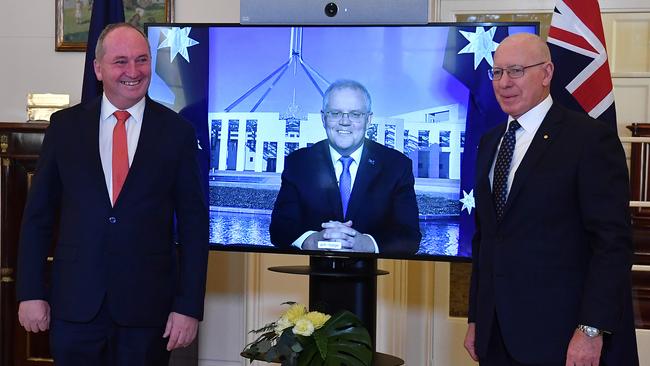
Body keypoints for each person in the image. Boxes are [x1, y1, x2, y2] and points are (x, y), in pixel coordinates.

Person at [16, 23, 209, 365]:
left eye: (142, 60)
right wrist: (30, 292)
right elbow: (38, 218)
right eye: (121, 61)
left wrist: (188, 307)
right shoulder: (65, 127)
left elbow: (195, 227)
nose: (133, 72)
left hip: (148, 313)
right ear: (98, 68)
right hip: (75, 307)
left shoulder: (177, 132)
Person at [463, 33, 638, 365]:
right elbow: (486, 239)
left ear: (546, 73)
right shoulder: (489, 142)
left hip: (564, 337)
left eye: (515, 71)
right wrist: (476, 319)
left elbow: (611, 244)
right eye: (497, 72)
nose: (503, 83)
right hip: (496, 335)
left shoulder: (589, 140)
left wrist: (591, 330)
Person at [270, 79, 421, 255]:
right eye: (335, 113)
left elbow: (409, 236)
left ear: (368, 119)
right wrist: (312, 240)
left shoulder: (396, 166)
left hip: (375, 277)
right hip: (310, 276)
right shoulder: (298, 163)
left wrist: (368, 244)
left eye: (355, 114)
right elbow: (280, 228)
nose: (345, 121)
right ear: (323, 118)